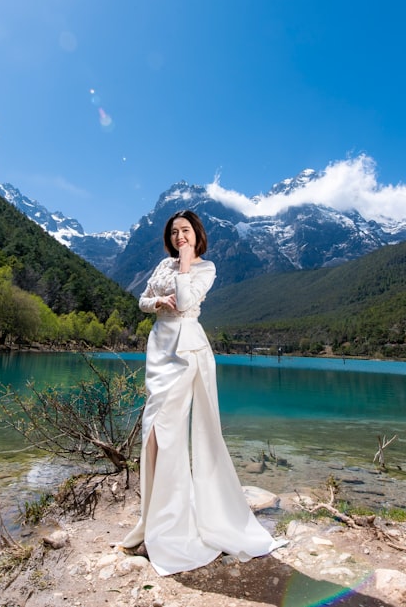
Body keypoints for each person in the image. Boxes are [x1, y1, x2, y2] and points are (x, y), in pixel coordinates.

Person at [120, 210, 286, 575]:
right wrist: (155, 303)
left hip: (186, 350)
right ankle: (152, 523)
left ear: (197, 235)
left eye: (186, 231)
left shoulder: (205, 269)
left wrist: (182, 267)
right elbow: (143, 300)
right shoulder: (163, 264)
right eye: (175, 232)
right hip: (159, 348)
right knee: (152, 433)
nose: (180, 236)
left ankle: (171, 531)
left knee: (169, 434)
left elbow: (184, 301)